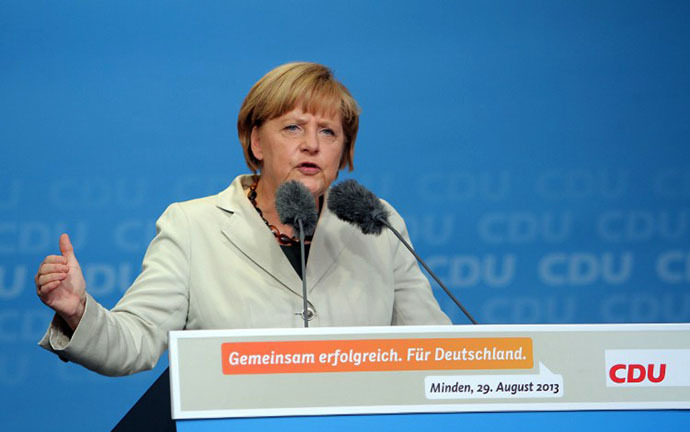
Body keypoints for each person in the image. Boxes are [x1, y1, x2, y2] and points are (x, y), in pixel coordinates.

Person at [35, 62, 451, 377]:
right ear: (256, 141)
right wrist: (78, 311)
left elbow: (434, 348)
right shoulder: (194, 226)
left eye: (328, 132)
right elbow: (135, 341)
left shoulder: (377, 224)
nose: (311, 145)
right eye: (293, 127)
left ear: (343, 151)